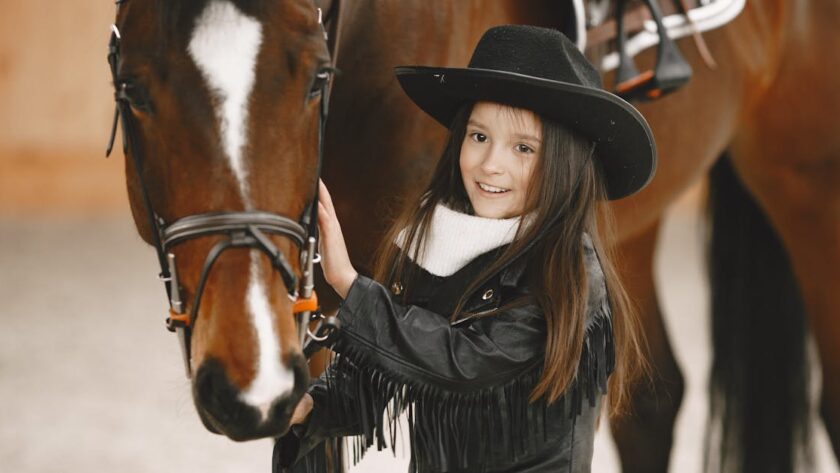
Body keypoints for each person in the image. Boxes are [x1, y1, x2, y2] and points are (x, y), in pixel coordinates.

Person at [274, 24, 656, 473]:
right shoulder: (434, 240)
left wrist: (349, 285)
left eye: (523, 148)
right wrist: (314, 407)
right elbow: (384, 372)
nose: (491, 164)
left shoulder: (567, 270)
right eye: (479, 137)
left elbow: (463, 367)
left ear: (564, 164)